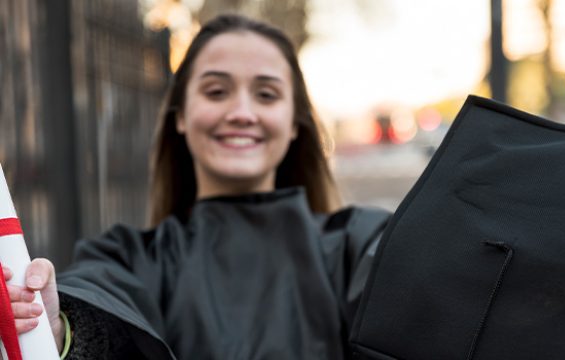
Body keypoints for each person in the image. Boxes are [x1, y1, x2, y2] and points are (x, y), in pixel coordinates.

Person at [3, 14, 390, 359]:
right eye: (216, 91)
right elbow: (92, 316)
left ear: (293, 123)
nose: (241, 113)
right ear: (182, 116)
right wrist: (56, 330)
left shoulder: (362, 246)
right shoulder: (126, 259)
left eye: (267, 94)